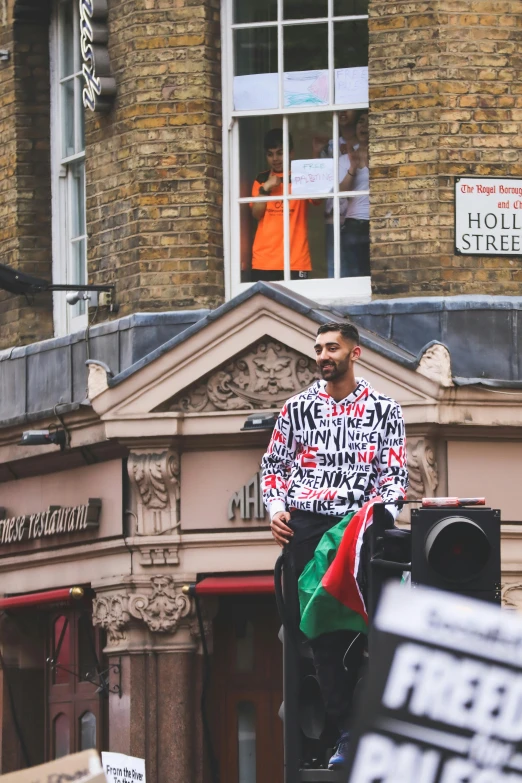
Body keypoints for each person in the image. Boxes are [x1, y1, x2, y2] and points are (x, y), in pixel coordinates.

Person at [261, 321, 408, 769]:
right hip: (307, 525)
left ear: (355, 354)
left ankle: (372, 732)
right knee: (321, 632)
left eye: (332, 347)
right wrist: (275, 508)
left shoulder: (385, 409)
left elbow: (394, 477)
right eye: (319, 348)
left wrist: (377, 515)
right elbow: (272, 467)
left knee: (365, 631)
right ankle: (343, 732)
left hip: (360, 524)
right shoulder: (296, 409)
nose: (323, 355)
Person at [250, 128, 312, 281]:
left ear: (291, 153)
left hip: (296, 259)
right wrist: (265, 189)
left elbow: (319, 200)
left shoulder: (301, 177)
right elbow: (256, 214)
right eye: (270, 154)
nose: (275, 159)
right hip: (264, 260)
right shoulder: (261, 179)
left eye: (280, 153)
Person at [338, 110, 370, 277]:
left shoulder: (386, 157)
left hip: (378, 224)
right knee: (354, 278)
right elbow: (342, 194)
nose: (364, 126)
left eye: (368, 121)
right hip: (354, 226)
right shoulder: (345, 159)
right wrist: (352, 167)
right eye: (360, 122)